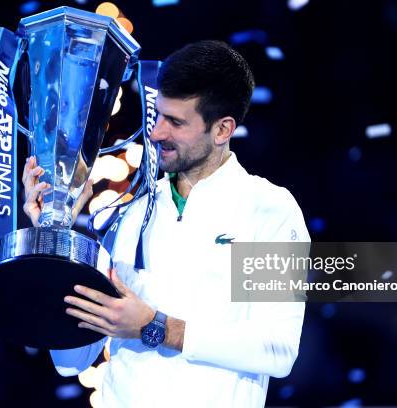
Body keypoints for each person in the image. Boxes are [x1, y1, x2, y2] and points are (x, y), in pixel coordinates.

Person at [22, 40, 309, 408]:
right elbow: (71, 361)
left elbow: (277, 349)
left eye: (175, 122)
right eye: (158, 116)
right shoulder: (130, 208)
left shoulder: (269, 209)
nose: (156, 133)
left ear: (222, 130)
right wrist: (54, 234)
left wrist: (155, 326)